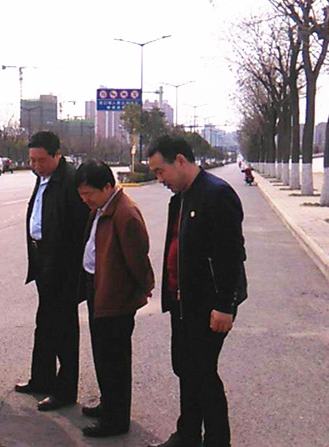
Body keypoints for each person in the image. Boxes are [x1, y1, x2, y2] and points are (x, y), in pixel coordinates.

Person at [147, 135, 247, 447]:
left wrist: (225, 305)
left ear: (180, 160)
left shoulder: (217, 194)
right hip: (183, 301)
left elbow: (231, 256)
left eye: (161, 171)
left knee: (202, 373)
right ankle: (188, 434)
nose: (160, 179)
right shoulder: (180, 198)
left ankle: (217, 441)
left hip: (209, 304)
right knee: (185, 368)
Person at [75, 160, 154, 438]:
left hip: (115, 296)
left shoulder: (125, 214)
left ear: (108, 186)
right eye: (82, 194)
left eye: (89, 194)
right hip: (98, 287)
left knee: (115, 360)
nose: (85, 200)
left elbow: (138, 260)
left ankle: (116, 420)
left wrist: (142, 289)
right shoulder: (102, 208)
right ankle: (109, 404)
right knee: (102, 354)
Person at [14, 131, 90, 411]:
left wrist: (71, 270)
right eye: (32, 160)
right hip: (43, 259)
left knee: (64, 330)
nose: (36, 166)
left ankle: (65, 390)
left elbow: (79, 231)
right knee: (45, 324)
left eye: (41, 160)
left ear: (57, 155)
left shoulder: (70, 181)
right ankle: (41, 378)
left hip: (63, 266)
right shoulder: (43, 177)